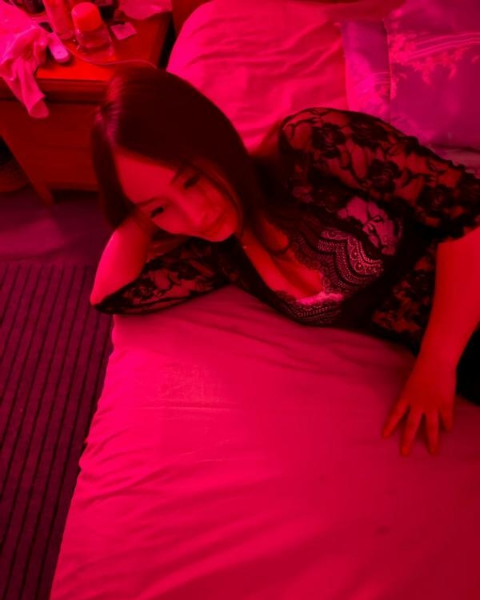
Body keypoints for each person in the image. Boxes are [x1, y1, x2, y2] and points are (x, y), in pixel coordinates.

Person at [90, 65, 480, 456]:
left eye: (192, 180)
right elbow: (112, 296)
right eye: (161, 210)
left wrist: (436, 363)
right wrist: (140, 213)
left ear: (214, 141)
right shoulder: (217, 256)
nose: (194, 216)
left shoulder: (311, 146)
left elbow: (469, 210)